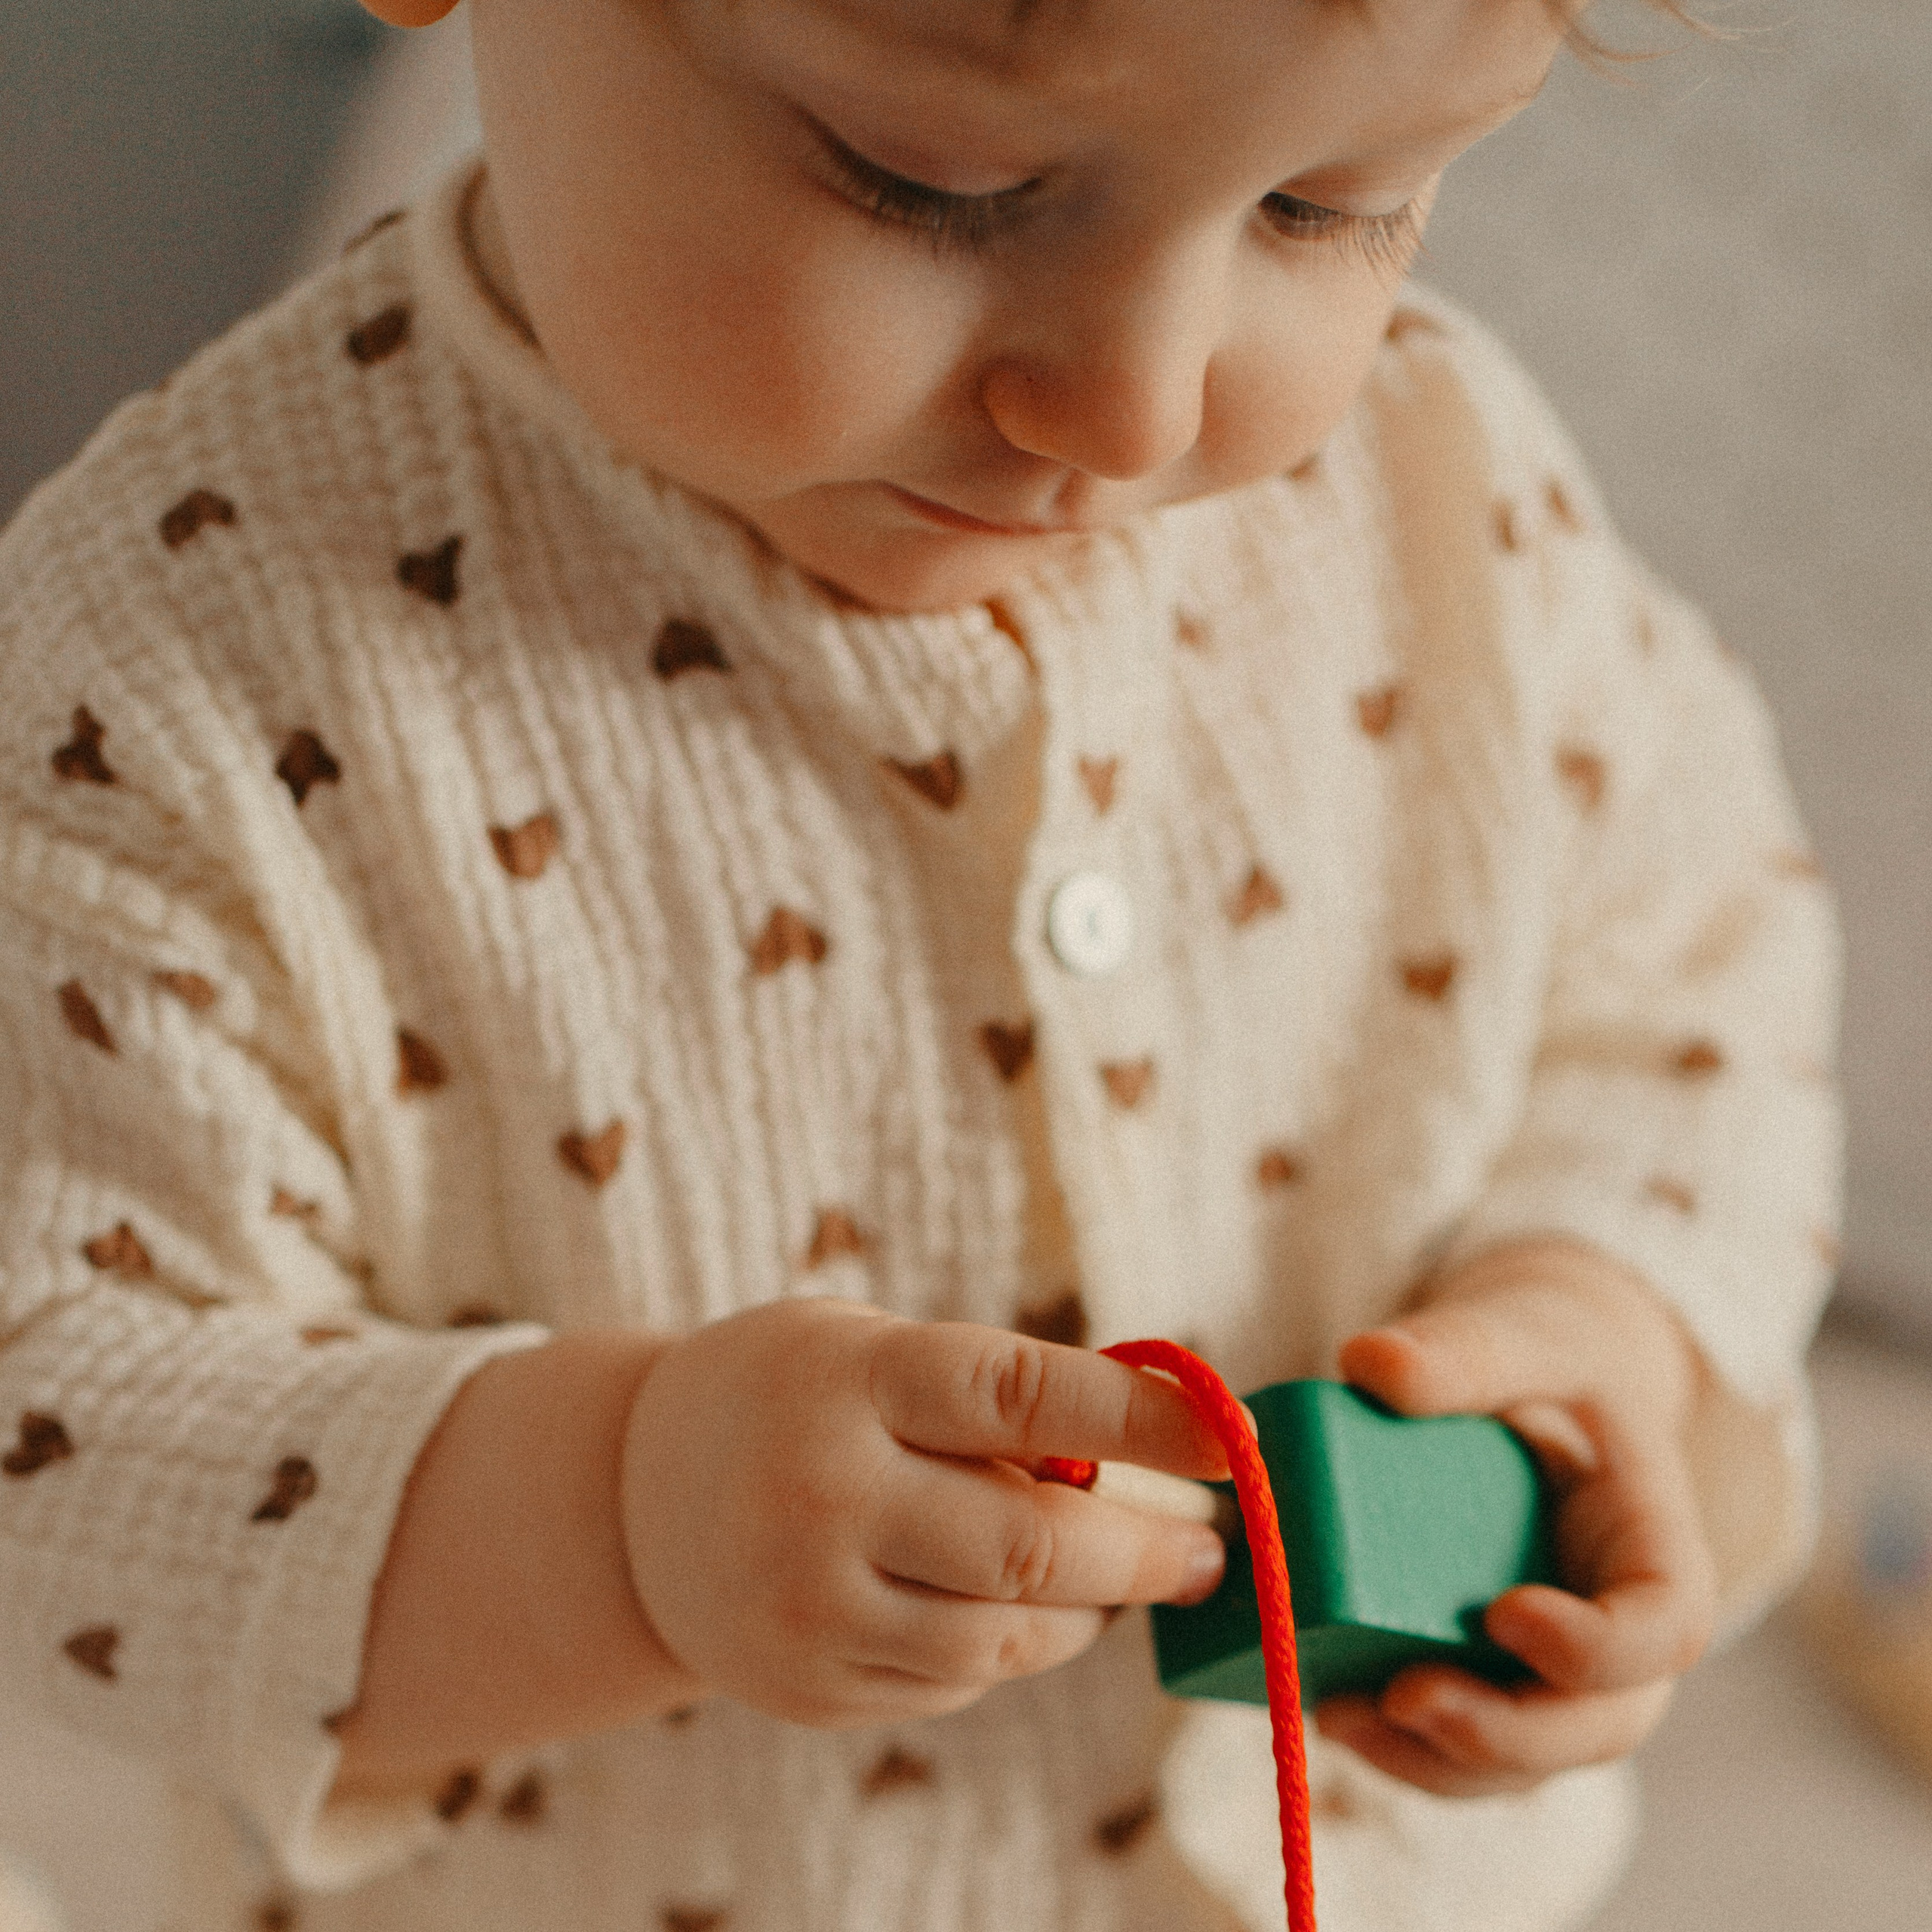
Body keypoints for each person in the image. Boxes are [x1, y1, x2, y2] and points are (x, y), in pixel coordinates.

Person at [0, 2, 1841, 1928]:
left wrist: (1593, 1324)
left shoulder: (1450, 498)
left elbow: (1693, 967)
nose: (1136, 407)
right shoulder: (169, 688)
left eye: (1320, 207)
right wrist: (613, 1520)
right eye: (932, 182)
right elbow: (70, 1453)